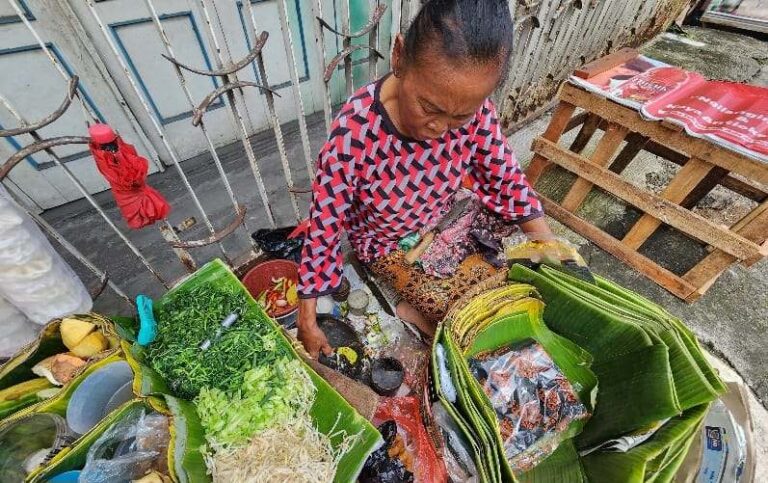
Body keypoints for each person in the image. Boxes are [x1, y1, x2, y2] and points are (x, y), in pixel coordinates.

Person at [297, 0, 553, 358]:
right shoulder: (354, 134)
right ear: (399, 56)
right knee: (463, 312)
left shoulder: (476, 114)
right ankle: (409, 310)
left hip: (442, 214)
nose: (439, 128)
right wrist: (307, 318)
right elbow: (323, 225)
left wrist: (553, 252)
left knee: (510, 277)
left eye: (459, 117)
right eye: (429, 108)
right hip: (385, 242)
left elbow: (505, 178)